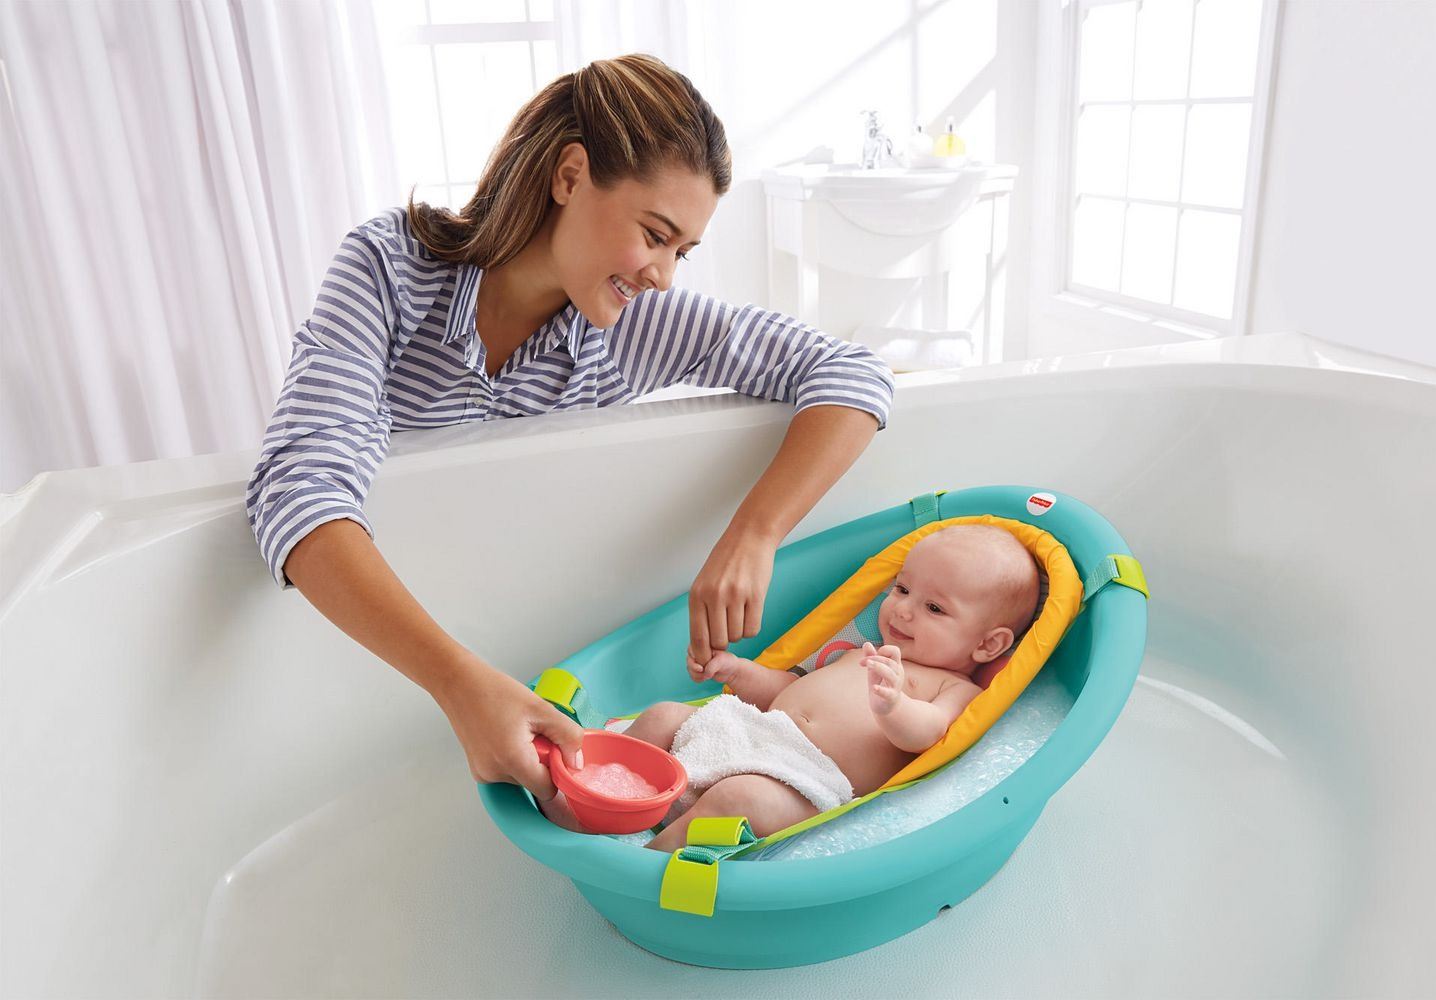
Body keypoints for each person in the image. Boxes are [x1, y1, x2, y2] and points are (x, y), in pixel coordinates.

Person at [244, 54, 894, 808]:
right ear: (570, 175)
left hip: (519, 648)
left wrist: (756, 534)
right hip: (372, 674)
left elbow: (853, 373)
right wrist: (459, 684)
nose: (663, 275)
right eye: (654, 234)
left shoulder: (637, 323)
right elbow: (299, 488)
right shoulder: (390, 271)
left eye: (682, 252)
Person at [540, 524, 1042, 851]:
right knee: (662, 716)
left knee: (741, 797)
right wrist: (737, 672)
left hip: (805, 781)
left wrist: (893, 705)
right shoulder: (858, 652)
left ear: (989, 644)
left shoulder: (954, 689)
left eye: (933, 608)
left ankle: (645, 857)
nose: (903, 610)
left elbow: (927, 734)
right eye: (902, 589)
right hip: (752, 732)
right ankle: (594, 803)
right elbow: (787, 690)